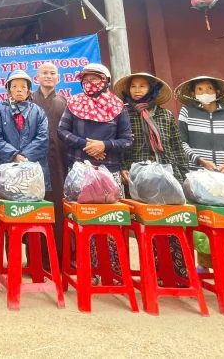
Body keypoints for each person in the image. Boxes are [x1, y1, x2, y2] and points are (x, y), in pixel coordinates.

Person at [58, 63, 133, 276]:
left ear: (105, 81)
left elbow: (127, 141)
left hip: (110, 172)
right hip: (80, 170)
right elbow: (62, 132)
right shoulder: (74, 103)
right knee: (84, 221)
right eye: (86, 79)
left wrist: (105, 146)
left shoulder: (118, 107)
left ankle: (113, 271)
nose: (90, 84)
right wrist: (86, 145)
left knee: (110, 223)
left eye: (95, 79)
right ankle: (87, 269)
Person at [114, 72, 188, 282]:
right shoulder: (123, 114)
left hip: (165, 174)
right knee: (135, 225)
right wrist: (121, 167)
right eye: (133, 86)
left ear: (152, 90)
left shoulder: (165, 116)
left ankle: (172, 272)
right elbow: (117, 143)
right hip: (134, 175)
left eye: (142, 86)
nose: (137, 89)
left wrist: (182, 175)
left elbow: (176, 145)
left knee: (168, 224)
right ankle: (130, 273)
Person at [176, 76, 224, 181]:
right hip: (198, 175)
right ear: (193, 93)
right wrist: (199, 160)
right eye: (200, 89)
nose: (204, 92)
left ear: (217, 91)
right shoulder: (187, 112)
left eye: (209, 88)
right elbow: (181, 143)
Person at [30, 62, 68, 268]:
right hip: (34, 162)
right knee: (36, 205)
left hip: (58, 161)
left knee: (57, 205)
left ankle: (61, 255)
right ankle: (38, 257)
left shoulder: (64, 102)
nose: (48, 76)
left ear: (58, 78)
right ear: (37, 77)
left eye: (52, 73)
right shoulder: (29, 99)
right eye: (44, 73)